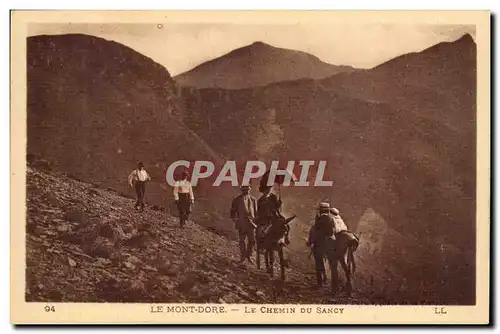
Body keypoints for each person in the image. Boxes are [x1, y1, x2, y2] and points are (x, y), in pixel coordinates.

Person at [306, 202, 335, 287]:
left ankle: (320, 282)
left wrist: (310, 242)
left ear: (321, 211)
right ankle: (329, 280)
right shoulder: (330, 219)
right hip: (330, 244)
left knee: (319, 263)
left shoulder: (319, 220)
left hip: (320, 243)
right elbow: (331, 232)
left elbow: (315, 233)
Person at [230, 185, 258, 264]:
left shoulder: (253, 200)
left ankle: (248, 255)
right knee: (242, 241)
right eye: (244, 190)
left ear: (250, 190)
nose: (246, 191)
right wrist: (236, 221)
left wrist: (255, 222)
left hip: (251, 224)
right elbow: (232, 212)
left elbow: (256, 213)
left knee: (252, 241)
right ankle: (242, 257)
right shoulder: (236, 200)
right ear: (241, 190)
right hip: (242, 223)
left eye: (248, 189)